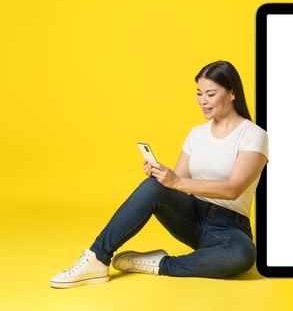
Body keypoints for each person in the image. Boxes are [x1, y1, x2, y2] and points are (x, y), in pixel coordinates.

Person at [49, 60, 269, 288]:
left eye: (211, 94)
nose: (203, 101)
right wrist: (163, 174)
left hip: (228, 227)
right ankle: (96, 257)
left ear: (232, 93)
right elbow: (176, 182)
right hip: (191, 217)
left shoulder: (253, 135)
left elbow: (233, 189)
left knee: (244, 255)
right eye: (199, 93)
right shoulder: (197, 133)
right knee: (154, 186)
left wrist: (177, 181)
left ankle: (158, 263)